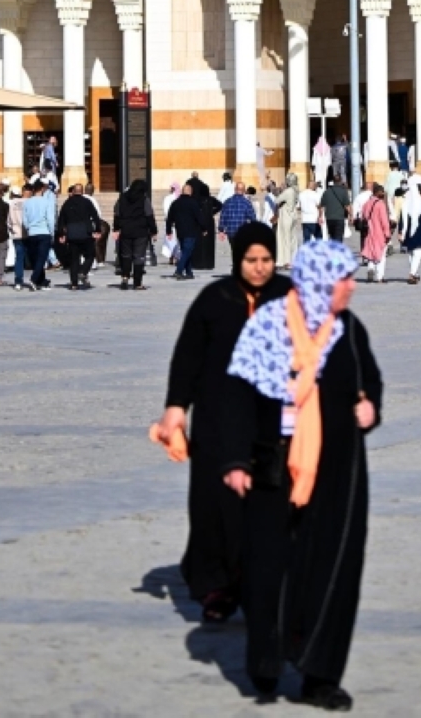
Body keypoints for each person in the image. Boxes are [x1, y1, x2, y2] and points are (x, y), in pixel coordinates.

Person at [224, 238, 383, 707]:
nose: (352, 287)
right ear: (320, 281)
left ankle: (321, 674)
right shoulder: (269, 325)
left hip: (336, 467)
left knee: (333, 566)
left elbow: (368, 380)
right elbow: (237, 398)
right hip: (271, 463)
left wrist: (370, 404)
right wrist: (234, 461)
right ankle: (267, 662)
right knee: (267, 567)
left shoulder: (349, 331)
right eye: (344, 279)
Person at [156, 221, 289, 622]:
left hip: (274, 418)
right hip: (217, 416)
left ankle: (264, 584)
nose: (260, 267)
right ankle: (216, 587)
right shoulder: (215, 299)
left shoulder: (288, 297)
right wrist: (177, 407)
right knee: (215, 504)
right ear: (238, 259)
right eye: (252, 260)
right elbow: (188, 357)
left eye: (266, 259)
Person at [55, 182, 102, 289]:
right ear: (82, 191)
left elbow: (61, 219)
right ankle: (83, 271)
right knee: (90, 255)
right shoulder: (87, 202)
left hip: (72, 233)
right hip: (85, 232)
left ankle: (74, 284)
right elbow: (95, 216)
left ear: (73, 191)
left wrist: (61, 234)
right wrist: (97, 230)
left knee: (74, 259)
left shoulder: (67, 203)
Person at [113, 178, 157, 289]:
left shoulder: (122, 198)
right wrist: (153, 231)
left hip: (126, 230)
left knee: (126, 255)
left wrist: (116, 228)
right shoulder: (144, 199)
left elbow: (117, 214)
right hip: (140, 231)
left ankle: (125, 278)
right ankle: (137, 283)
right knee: (139, 256)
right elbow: (149, 215)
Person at [166, 180, 209, 281]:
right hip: (191, 231)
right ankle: (179, 271)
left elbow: (169, 217)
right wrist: (204, 228)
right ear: (190, 191)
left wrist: (169, 230)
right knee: (187, 251)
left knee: (186, 251)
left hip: (180, 231)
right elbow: (199, 217)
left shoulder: (175, 203)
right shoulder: (193, 203)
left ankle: (189, 272)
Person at [22, 180, 56, 289]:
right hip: (44, 232)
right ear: (42, 189)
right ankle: (34, 278)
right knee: (42, 258)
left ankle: (42, 281)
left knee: (36, 258)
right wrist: (52, 233)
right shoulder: (46, 202)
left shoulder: (27, 202)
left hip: (32, 233)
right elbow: (50, 219)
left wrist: (29, 229)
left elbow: (24, 220)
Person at [359, 182, 392, 283]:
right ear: (378, 193)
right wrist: (387, 234)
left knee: (371, 252)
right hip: (380, 233)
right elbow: (384, 221)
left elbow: (363, 216)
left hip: (369, 232)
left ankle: (370, 269)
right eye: (382, 192)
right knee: (381, 255)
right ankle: (379, 277)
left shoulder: (367, 203)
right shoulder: (380, 204)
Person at [400, 183, 421, 283]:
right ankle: (412, 274)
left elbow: (402, 219)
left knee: (411, 253)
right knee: (418, 253)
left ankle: (415, 273)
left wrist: (400, 232)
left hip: (408, 232)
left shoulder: (406, 203)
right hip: (419, 231)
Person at [274, 172, 303, 268]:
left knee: (285, 239)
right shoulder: (296, 190)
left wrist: (281, 190)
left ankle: (286, 261)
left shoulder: (288, 191)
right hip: (293, 216)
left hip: (286, 216)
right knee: (293, 239)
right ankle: (294, 259)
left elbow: (277, 200)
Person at [218, 181, 257, 247]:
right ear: (244, 191)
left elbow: (223, 217)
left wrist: (221, 229)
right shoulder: (247, 203)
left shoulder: (227, 202)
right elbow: (252, 217)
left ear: (235, 189)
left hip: (231, 231)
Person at [320, 175, 351, 243]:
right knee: (339, 237)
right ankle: (337, 252)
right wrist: (351, 216)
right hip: (339, 218)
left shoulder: (327, 192)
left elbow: (322, 206)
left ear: (333, 181)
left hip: (329, 218)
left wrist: (320, 217)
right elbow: (347, 206)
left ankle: (333, 251)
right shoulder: (343, 192)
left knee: (332, 236)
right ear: (340, 181)